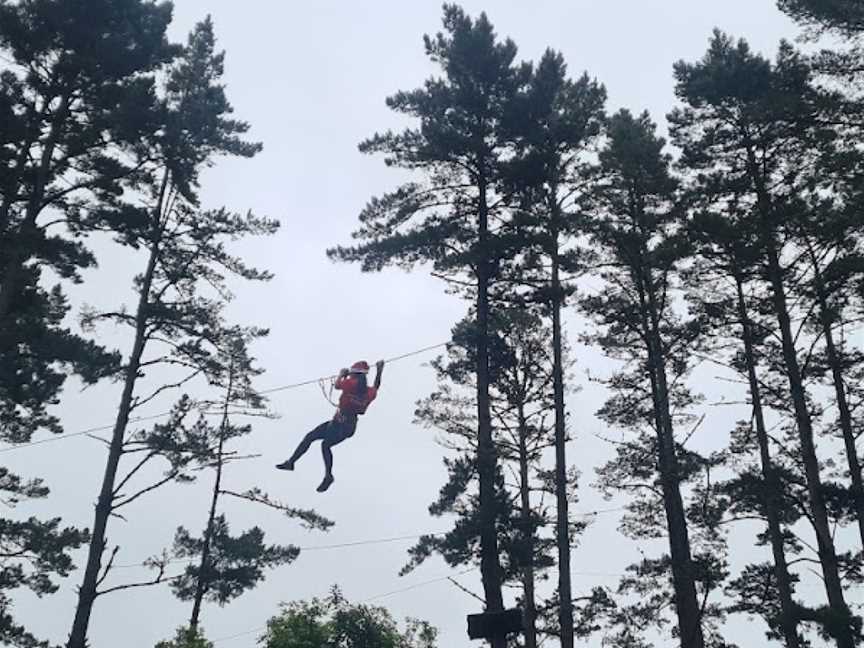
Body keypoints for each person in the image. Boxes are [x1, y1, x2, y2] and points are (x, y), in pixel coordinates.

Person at [276, 359, 384, 492]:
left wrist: (342, 374)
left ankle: (292, 463)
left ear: (354, 375)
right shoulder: (368, 393)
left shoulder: (351, 383)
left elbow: (338, 385)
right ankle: (325, 474)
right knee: (324, 444)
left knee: (311, 437)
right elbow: (376, 387)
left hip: (338, 423)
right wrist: (380, 370)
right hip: (348, 427)